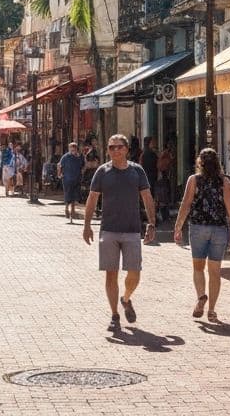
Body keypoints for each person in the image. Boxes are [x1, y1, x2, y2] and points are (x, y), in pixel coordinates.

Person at [83, 134, 156, 333]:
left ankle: (126, 298)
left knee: (135, 272)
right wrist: (87, 225)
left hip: (132, 230)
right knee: (111, 274)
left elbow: (147, 196)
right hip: (109, 230)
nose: (115, 150)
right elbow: (92, 198)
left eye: (119, 147)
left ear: (126, 149)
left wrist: (151, 223)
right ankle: (114, 315)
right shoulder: (102, 171)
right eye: (111, 147)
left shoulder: (137, 171)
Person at [173, 148, 230, 321]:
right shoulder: (224, 181)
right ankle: (211, 310)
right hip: (219, 229)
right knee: (215, 271)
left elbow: (186, 203)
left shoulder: (194, 180)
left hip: (198, 227)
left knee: (198, 268)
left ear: (199, 162)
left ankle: (201, 296)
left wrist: (178, 226)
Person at [59, 141, 84, 221]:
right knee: (68, 194)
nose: (73, 151)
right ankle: (66, 209)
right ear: (69, 149)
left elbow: (83, 165)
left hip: (76, 178)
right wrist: (60, 174)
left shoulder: (79, 157)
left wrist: (82, 173)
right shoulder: (65, 157)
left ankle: (73, 210)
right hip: (67, 179)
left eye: (74, 149)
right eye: (71, 149)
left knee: (74, 195)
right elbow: (59, 165)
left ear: (76, 149)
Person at [156, 141, 175, 224]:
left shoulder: (165, 155)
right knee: (164, 196)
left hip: (164, 178)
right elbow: (164, 166)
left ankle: (165, 215)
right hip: (163, 178)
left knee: (164, 196)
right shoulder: (165, 155)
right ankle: (165, 216)